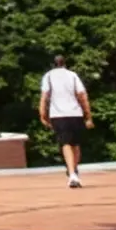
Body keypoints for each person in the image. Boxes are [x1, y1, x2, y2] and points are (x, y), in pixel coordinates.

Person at [36, 54, 92, 187]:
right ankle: (74, 170)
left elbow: (44, 97)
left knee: (65, 143)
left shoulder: (48, 76)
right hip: (75, 113)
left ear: (52, 64)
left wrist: (42, 114)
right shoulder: (72, 75)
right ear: (64, 63)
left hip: (58, 114)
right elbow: (82, 95)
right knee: (75, 143)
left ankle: (72, 173)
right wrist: (88, 115)